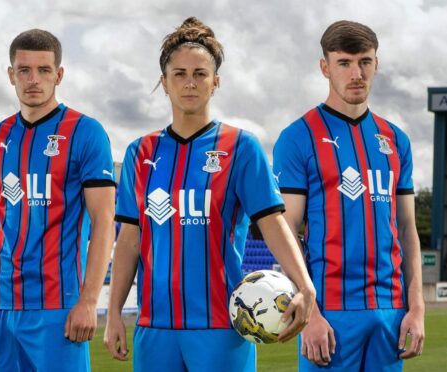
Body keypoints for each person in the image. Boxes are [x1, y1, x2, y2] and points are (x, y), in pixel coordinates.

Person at [104, 17, 316, 372]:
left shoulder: (241, 147)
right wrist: (113, 313)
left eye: (200, 73)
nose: (190, 82)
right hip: (155, 329)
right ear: (164, 83)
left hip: (223, 327)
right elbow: (128, 239)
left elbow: (273, 222)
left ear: (215, 82)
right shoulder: (139, 153)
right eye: (180, 73)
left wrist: (304, 285)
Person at [0, 29, 116, 372]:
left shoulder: (85, 132)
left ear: (59, 75)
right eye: (24, 69)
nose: (34, 79)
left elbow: (104, 222)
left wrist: (89, 300)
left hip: (57, 304)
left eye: (44, 70)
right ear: (11, 74)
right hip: (1, 305)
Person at [273, 20, 425, 371]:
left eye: (365, 62)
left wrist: (416, 308)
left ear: (376, 64)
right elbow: (287, 230)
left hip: (390, 312)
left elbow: (407, 229)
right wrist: (310, 315)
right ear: (325, 67)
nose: (356, 73)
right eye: (344, 63)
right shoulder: (298, 137)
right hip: (329, 315)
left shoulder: (396, 140)